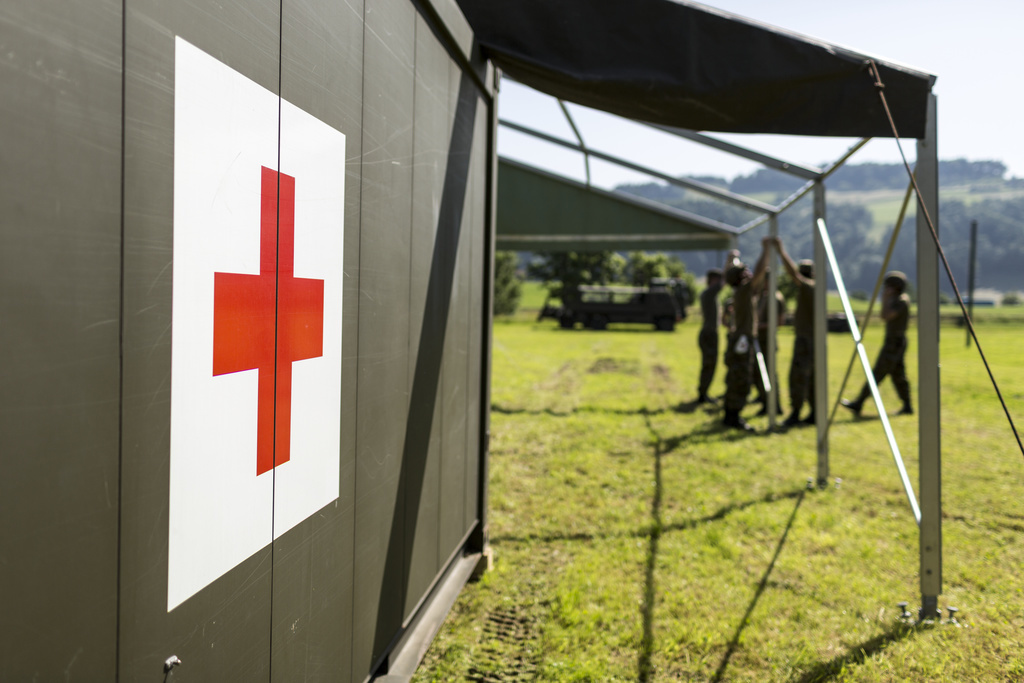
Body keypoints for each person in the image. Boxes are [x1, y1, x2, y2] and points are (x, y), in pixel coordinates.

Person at [841, 271, 913, 417]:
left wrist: (885, 298)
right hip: (894, 342)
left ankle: (859, 402)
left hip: (895, 343)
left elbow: (885, 316)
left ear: (894, 288)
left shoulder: (901, 301)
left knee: (877, 374)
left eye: (888, 287)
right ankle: (907, 406)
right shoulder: (898, 300)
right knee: (898, 375)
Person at [721, 242, 770, 431]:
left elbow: (732, 272)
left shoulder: (738, 290)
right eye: (745, 273)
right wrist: (765, 250)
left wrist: (731, 258)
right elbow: (759, 272)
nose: (749, 274)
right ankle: (733, 417)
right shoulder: (744, 290)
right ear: (742, 278)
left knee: (735, 377)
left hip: (738, 339)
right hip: (743, 339)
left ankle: (729, 414)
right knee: (740, 379)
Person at [772, 238, 816, 426]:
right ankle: (814, 412)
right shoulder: (812, 288)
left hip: (806, 340)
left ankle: (796, 412)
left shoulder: (809, 287)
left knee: (798, 376)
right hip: (810, 340)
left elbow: (793, 275)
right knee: (812, 378)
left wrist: (781, 252)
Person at [753, 270, 786, 416]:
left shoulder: (776, 298)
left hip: (768, 341)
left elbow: (779, 323)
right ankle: (765, 401)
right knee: (759, 373)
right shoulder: (764, 296)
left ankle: (775, 405)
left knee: (770, 374)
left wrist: (759, 326)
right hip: (759, 340)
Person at [696, 269, 723, 404]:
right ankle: (702, 394)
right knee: (709, 365)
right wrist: (730, 260)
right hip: (709, 334)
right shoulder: (709, 293)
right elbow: (724, 283)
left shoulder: (709, 294)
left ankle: (703, 393)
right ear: (713, 280)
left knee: (709, 365)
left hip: (709, 333)